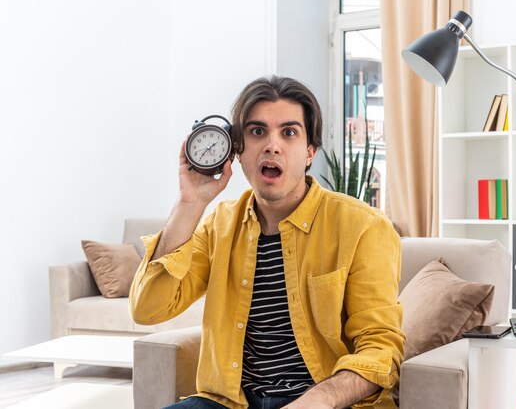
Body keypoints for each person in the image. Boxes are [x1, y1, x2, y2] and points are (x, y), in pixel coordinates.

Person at [129, 75, 404, 409]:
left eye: (289, 132)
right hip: (231, 402)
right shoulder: (219, 224)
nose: (272, 145)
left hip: (325, 401)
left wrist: (319, 400)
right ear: (238, 151)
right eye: (257, 132)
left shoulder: (363, 226)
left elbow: (380, 348)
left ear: (309, 152)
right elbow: (147, 309)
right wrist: (191, 204)